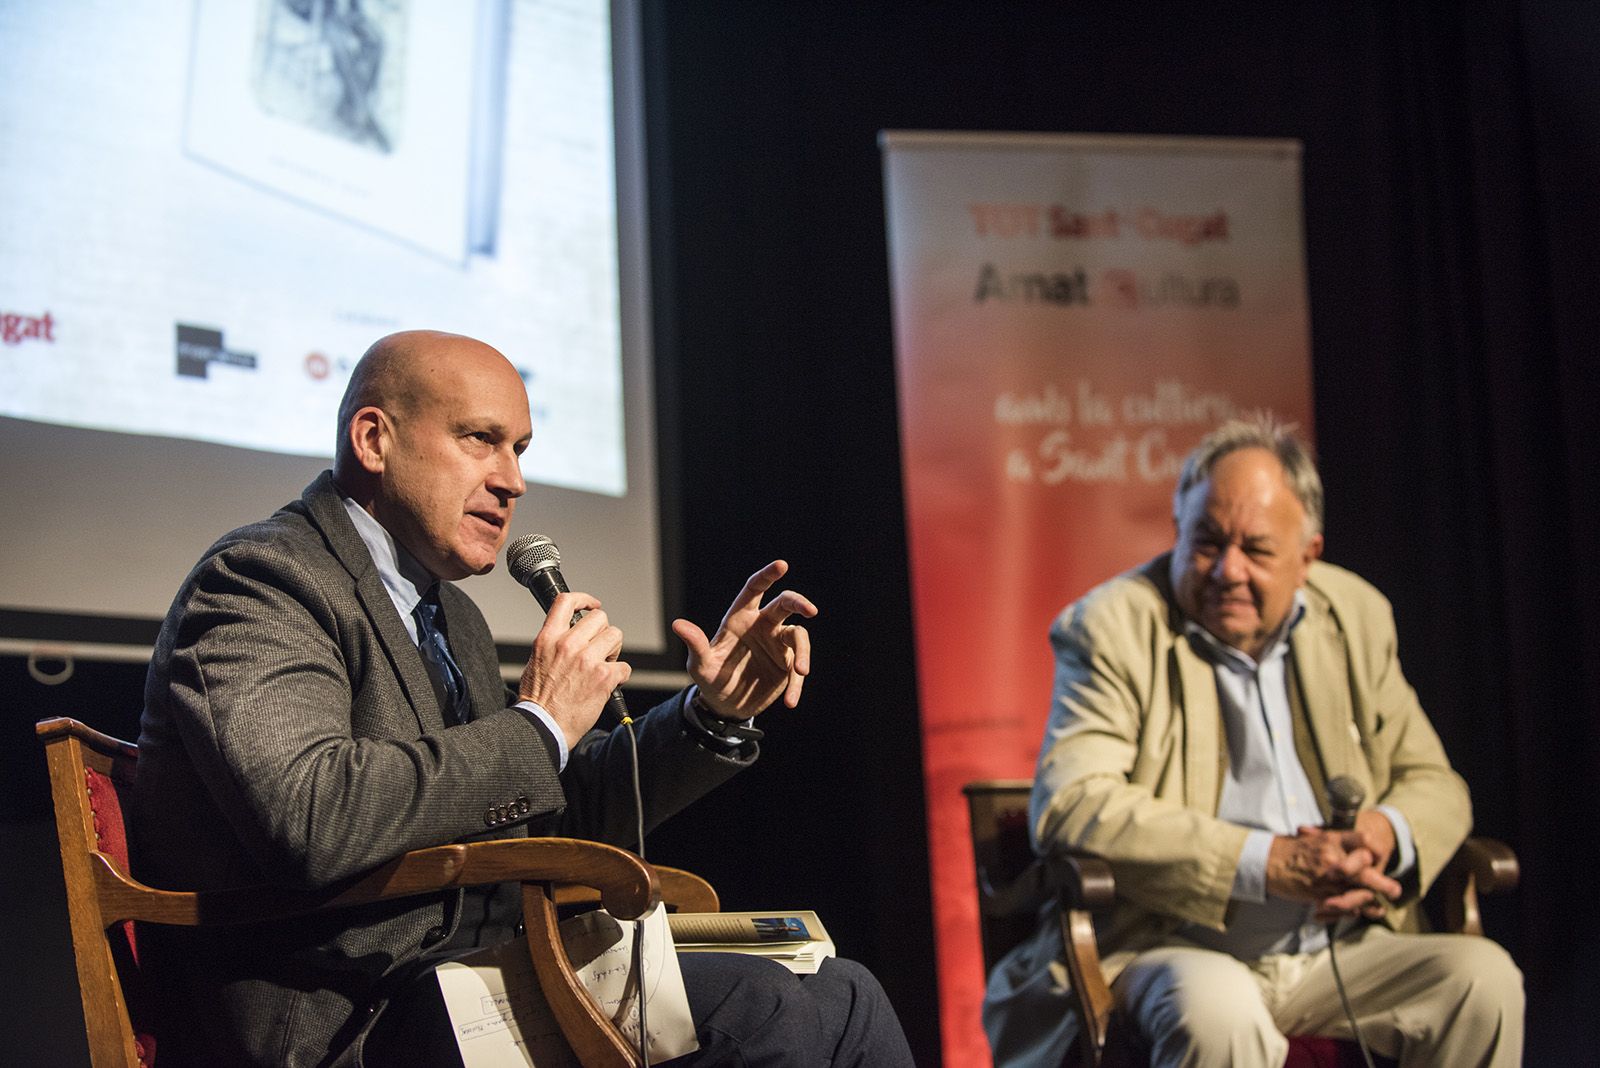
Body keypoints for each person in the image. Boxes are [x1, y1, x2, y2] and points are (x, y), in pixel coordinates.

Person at [132, 330, 914, 1067]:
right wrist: (538, 727)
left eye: (521, 450)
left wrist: (711, 715)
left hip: (461, 979)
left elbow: (544, 817)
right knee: (760, 1007)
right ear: (373, 439)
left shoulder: (451, 616)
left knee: (848, 994)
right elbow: (309, 816)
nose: (513, 480)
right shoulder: (265, 580)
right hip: (342, 1018)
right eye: (481, 439)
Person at [983, 416, 1523, 1067]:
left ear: (1308, 557)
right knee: (1219, 1012)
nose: (1227, 570)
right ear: (1178, 529)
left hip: (1339, 949)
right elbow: (1070, 805)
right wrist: (1265, 862)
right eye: (1207, 542)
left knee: (1482, 982)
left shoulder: (1355, 615)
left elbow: (1435, 782)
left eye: (1257, 550)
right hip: (1173, 944)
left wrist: (1386, 833)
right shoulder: (1111, 626)